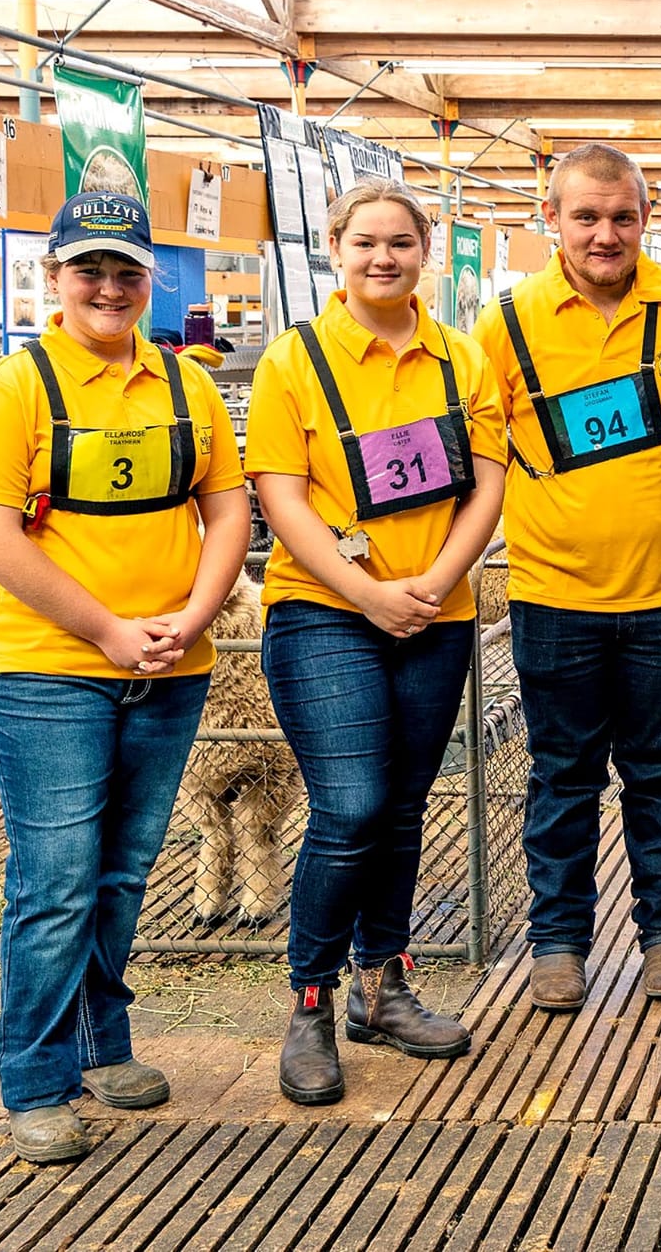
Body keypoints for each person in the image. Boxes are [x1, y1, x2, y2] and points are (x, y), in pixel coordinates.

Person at [0, 192, 250, 1161]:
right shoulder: (16, 387)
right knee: (57, 876)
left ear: (151, 277)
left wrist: (192, 618)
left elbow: (228, 507)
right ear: (54, 276)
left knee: (122, 869)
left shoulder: (188, 385)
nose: (109, 287)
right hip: (49, 669)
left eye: (126, 270)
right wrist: (110, 630)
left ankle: (101, 1040)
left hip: (170, 664)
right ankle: (35, 1076)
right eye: (89, 269)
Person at [246, 178, 505, 1105]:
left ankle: (384, 985)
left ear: (424, 253)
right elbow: (280, 495)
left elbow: (486, 481)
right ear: (334, 247)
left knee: (399, 806)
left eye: (401, 243)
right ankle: (310, 999)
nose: (383, 258)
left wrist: (436, 584)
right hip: (323, 610)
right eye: (365, 243)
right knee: (351, 803)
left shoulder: (461, 360)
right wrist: (364, 591)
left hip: (436, 612)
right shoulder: (293, 360)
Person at [472, 144, 661, 1012]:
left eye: (622, 215)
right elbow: (488, 450)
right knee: (563, 773)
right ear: (550, 219)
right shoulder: (505, 325)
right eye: (585, 216)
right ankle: (560, 941)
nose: (605, 233)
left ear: (645, 218)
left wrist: (645, 503)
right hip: (555, 594)